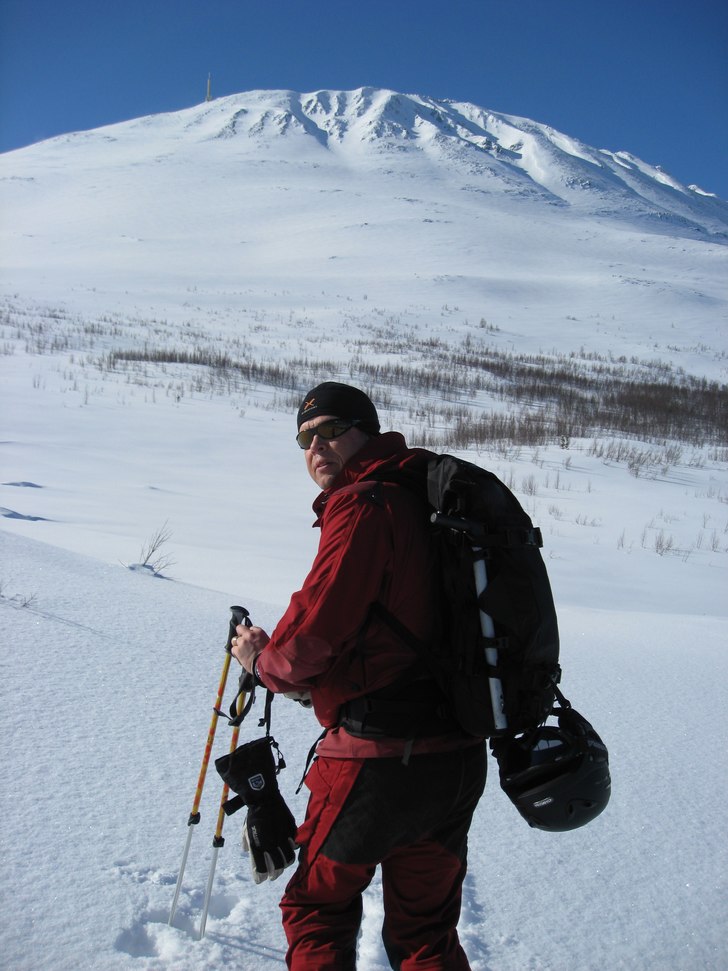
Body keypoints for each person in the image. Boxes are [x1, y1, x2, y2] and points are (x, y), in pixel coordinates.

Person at [231, 381, 486, 970]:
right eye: (304, 437)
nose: (316, 445)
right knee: (425, 933)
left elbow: (308, 643)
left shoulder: (364, 505)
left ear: (365, 432)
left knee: (317, 910)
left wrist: (258, 660)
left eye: (331, 429)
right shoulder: (419, 496)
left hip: (376, 763)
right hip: (454, 757)